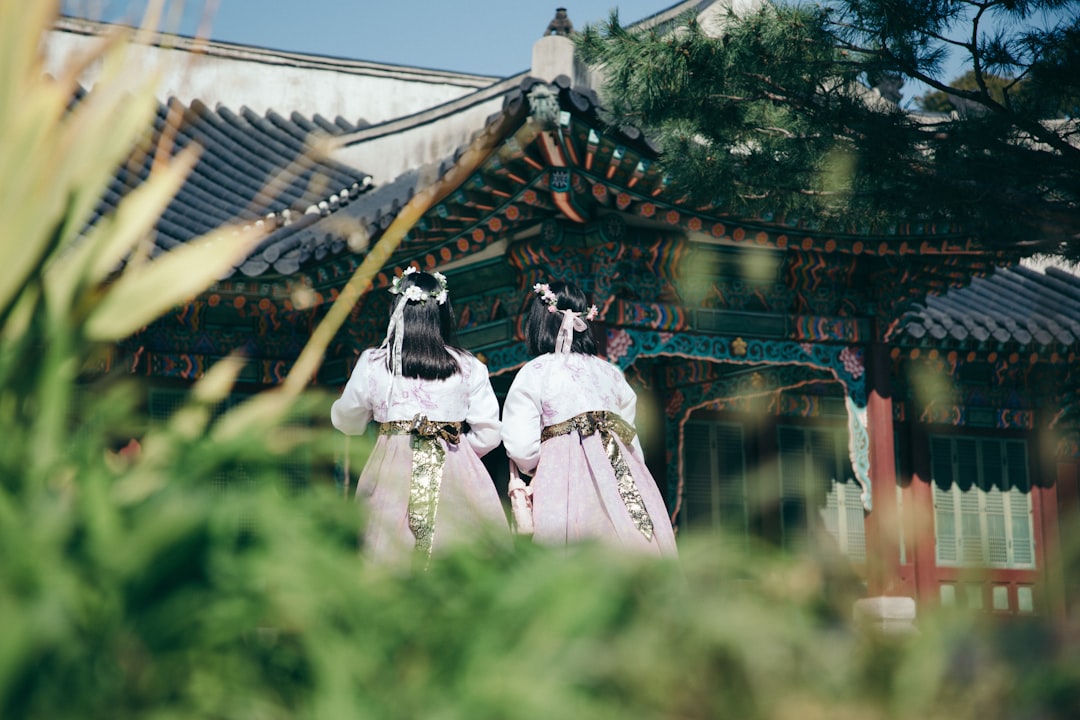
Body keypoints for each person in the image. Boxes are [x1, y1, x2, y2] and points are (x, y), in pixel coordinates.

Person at [331, 267, 510, 566]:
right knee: (460, 556)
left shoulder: (374, 362)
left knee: (388, 556)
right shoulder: (469, 366)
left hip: (392, 470)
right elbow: (490, 433)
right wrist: (457, 452)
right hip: (455, 471)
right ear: (442, 311)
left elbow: (347, 421)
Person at [501, 280, 678, 558]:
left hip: (562, 477)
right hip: (623, 472)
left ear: (540, 322)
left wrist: (537, 465)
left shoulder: (536, 372)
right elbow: (630, 436)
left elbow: (521, 447)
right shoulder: (610, 372)